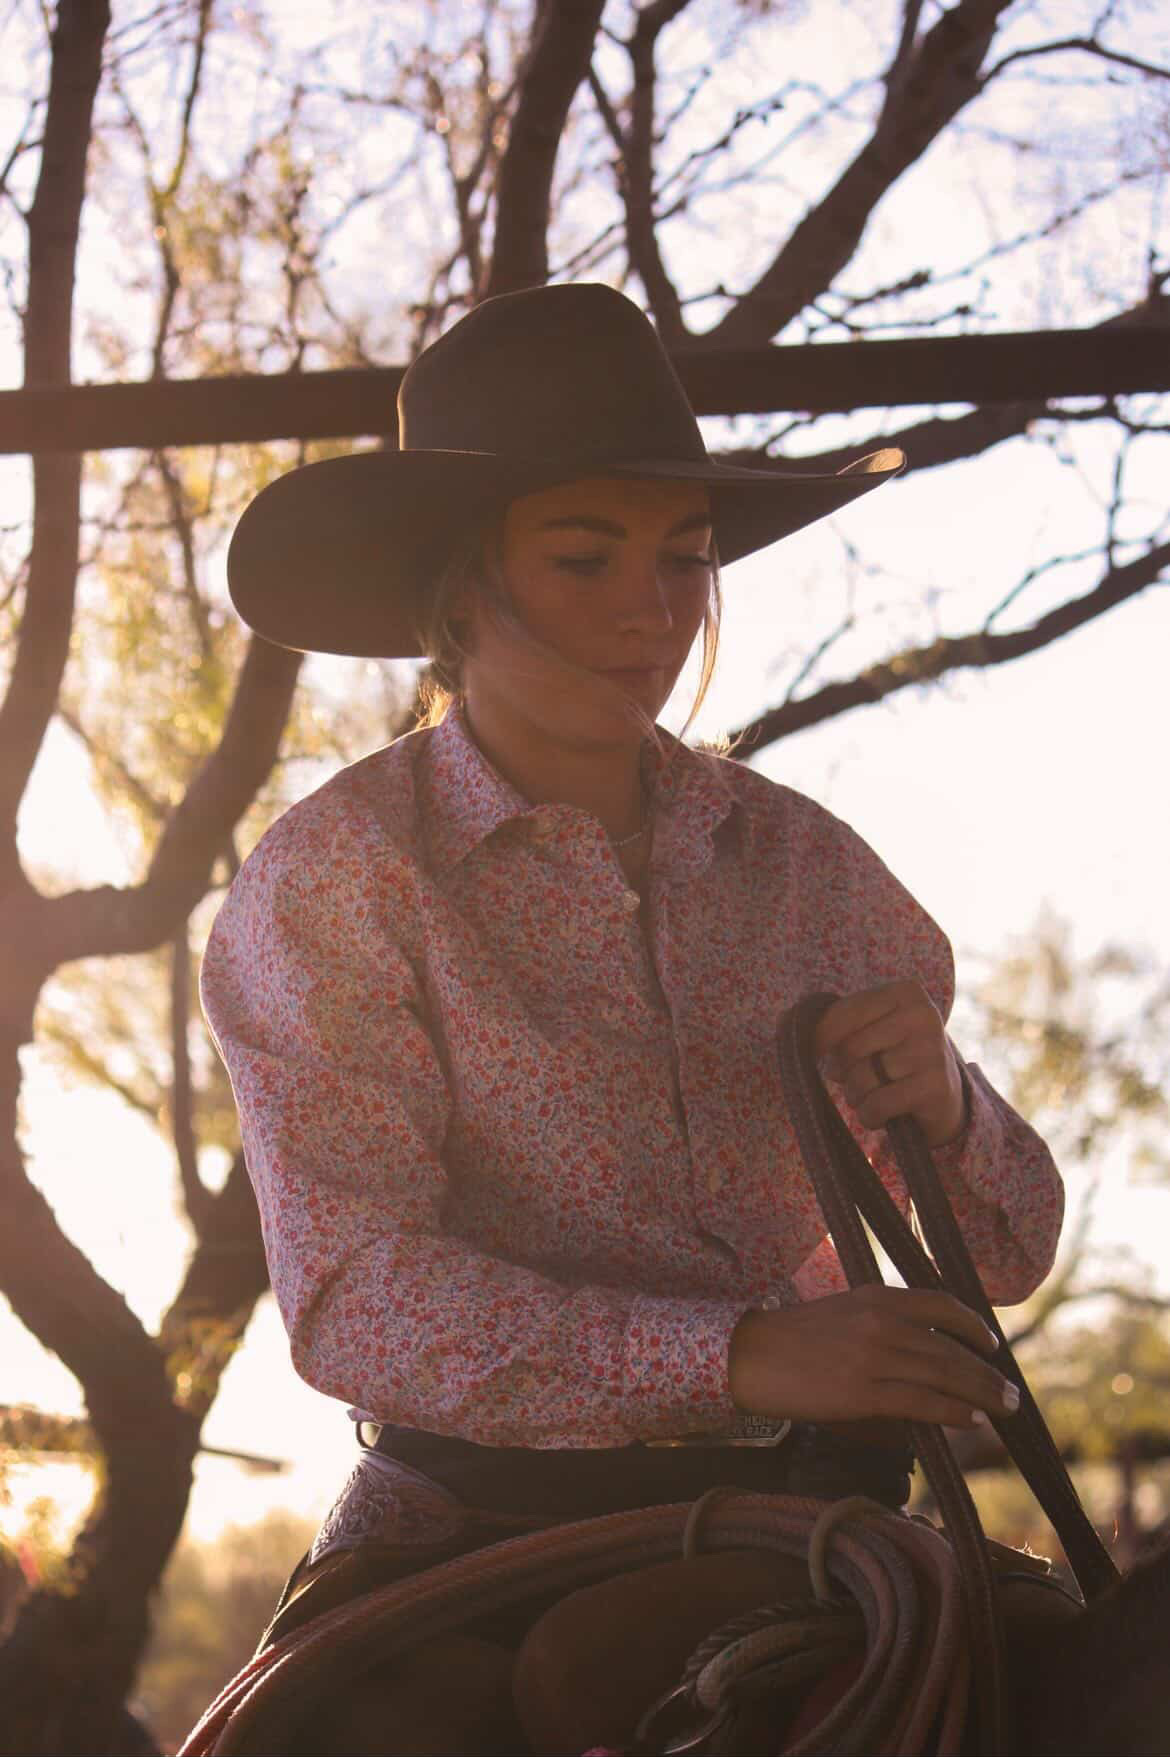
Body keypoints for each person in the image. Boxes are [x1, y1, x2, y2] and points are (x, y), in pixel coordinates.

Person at [200, 284, 1063, 1732]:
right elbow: (354, 1295)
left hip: (824, 1505)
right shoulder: (336, 880)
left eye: (683, 557)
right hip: (478, 1517)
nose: (651, 611)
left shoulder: (806, 864)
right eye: (586, 555)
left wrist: (952, 1109)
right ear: (459, 585)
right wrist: (737, 1352)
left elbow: (1003, 1248)